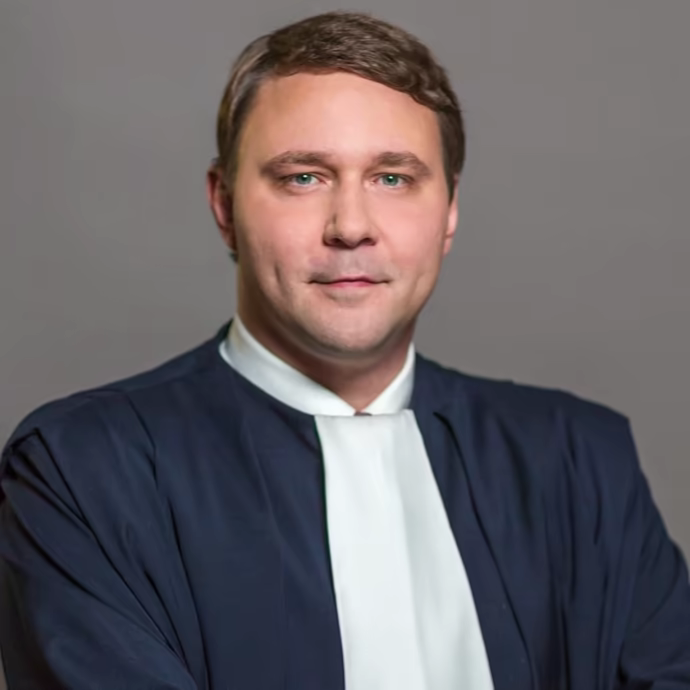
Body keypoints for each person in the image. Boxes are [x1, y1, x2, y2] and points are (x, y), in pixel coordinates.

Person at [1, 10, 689, 690]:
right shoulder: (79, 471)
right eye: (304, 176)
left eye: (393, 178)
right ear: (225, 205)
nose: (351, 226)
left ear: (449, 210)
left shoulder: (581, 460)